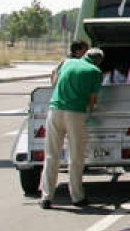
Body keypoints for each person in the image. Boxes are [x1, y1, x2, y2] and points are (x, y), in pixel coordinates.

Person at [40, 47, 104, 208]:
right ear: (99, 61)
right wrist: (90, 112)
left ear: (85, 55)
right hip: (75, 114)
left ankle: (46, 197)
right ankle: (77, 197)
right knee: (75, 157)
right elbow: (92, 99)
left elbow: (54, 78)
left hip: (54, 111)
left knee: (51, 155)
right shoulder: (95, 72)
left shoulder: (67, 62)